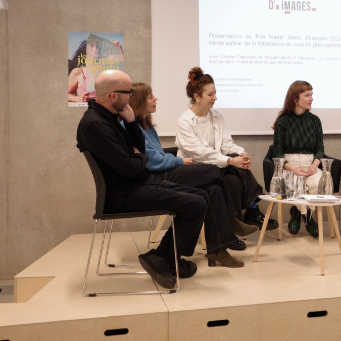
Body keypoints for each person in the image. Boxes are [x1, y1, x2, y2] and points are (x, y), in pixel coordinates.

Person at [76, 70, 204, 289]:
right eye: (128, 92)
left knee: (202, 196)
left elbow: (140, 151)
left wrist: (132, 123)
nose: (131, 96)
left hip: (137, 184)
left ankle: (165, 258)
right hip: (122, 194)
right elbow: (130, 167)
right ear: (114, 96)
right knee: (196, 204)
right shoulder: (96, 125)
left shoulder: (111, 118)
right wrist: (137, 157)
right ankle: (165, 259)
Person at [130, 82, 259, 266]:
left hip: (170, 170)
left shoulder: (147, 126)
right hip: (161, 176)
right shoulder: (137, 128)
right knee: (215, 171)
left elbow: (157, 156)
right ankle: (233, 219)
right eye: (151, 96)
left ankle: (218, 250)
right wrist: (178, 161)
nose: (156, 99)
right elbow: (153, 161)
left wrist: (239, 155)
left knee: (214, 189)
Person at [175, 67, 278, 230]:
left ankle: (232, 229)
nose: (215, 97)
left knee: (233, 180)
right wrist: (230, 160)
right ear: (197, 96)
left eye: (215, 93)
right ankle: (251, 209)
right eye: (210, 94)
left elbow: (226, 144)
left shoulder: (216, 116)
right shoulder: (185, 121)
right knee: (233, 172)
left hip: (216, 167)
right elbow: (200, 154)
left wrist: (241, 154)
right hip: (195, 169)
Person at [272, 80, 324, 237]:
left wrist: (315, 165)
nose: (311, 99)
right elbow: (277, 152)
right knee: (296, 187)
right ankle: (307, 218)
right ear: (295, 98)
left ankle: (300, 213)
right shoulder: (283, 121)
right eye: (307, 95)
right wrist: (293, 169)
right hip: (289, 166)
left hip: (310, 164)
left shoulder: (315, 120)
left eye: (312, 95)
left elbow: (320, 149)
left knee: (316, 184)